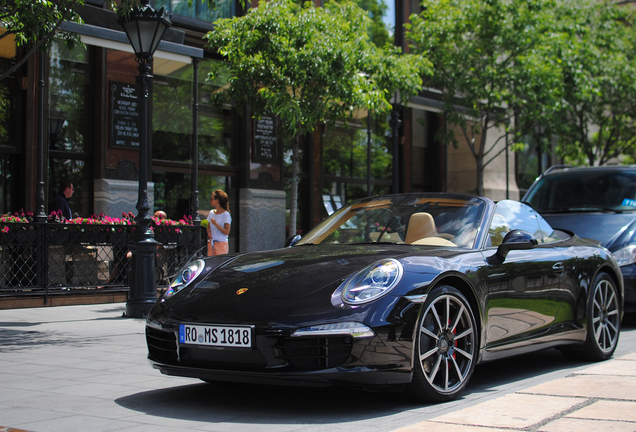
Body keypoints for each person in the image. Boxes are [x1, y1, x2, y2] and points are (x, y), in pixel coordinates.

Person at [207, 189, 231, 255]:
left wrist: (216, 224)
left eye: (212, 199)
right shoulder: (211, 213)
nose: (210, 201)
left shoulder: (226, 214)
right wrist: (209, 232)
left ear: (217, 200)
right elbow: (208, 227)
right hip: (212, 244)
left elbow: (227, 232)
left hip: (221, 244)